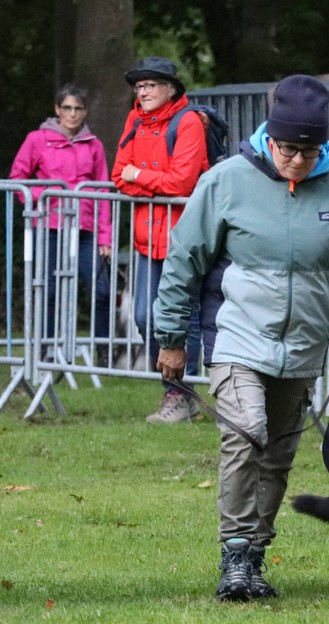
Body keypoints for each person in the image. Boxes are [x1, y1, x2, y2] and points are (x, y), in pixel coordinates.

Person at [152, 74, 329, 601]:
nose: (297, 161)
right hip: (237, 336)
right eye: (288, 150)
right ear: (269, 137)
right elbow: (183, 260)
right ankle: (234, 555)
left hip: (303, 345)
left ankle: (255, 558)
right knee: (247, 433)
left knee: (278, 454)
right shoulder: (227, 181)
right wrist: (171, 336)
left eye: (309, 152)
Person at [112, 56, 207, 423]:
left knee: (184, 318)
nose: (143, 91)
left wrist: (140, 177)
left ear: (171, 89)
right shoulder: (134, 119)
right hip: (146, 239)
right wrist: (152, 182)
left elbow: (181, 183)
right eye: (139, 86)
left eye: (150, 85)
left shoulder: (188, 122)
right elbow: (118, 176)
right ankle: (175, 388)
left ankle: (180, 395)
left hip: (183, 239)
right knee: (143, 316)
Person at [9, 83, 113, 365]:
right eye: (67, 108)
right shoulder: (37, 139)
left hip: (85, 229)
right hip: (50, 226)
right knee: (50, 291)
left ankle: (104, 351)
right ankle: (45, 349)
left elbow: (103, 191)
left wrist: (105, 237)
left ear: (85, 111)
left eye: (78, 108)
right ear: (57, 109)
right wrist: (46, 196)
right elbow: (18, 180)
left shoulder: (94, 145)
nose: (73, 114)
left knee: (102, 291)